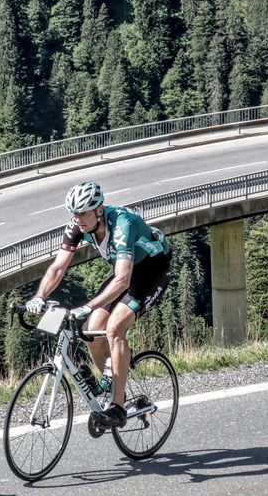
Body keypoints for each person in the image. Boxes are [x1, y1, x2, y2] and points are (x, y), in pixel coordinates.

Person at [26, 181, 172, 428]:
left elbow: (123, 280)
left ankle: (117, 406)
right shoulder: (77, 226)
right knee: (92, 331)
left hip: (151, 272)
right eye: (74, 213)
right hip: (124, 273)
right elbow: (58, 267)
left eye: (83, 213)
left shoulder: (123, 225)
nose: (78, 219)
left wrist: (88, 305)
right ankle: (112, 379)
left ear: (100, 209)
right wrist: (39, 297)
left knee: (115, 328)